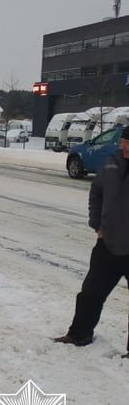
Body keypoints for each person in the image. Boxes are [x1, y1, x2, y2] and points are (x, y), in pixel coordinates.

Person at [55, 126, 129, 354]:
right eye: (123, 141)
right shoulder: (111, 162)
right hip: (107, 243)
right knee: (90, 293)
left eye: (127, 142)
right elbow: (96, 192)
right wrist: (96, 223)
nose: (122, 145)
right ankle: (79, 334)